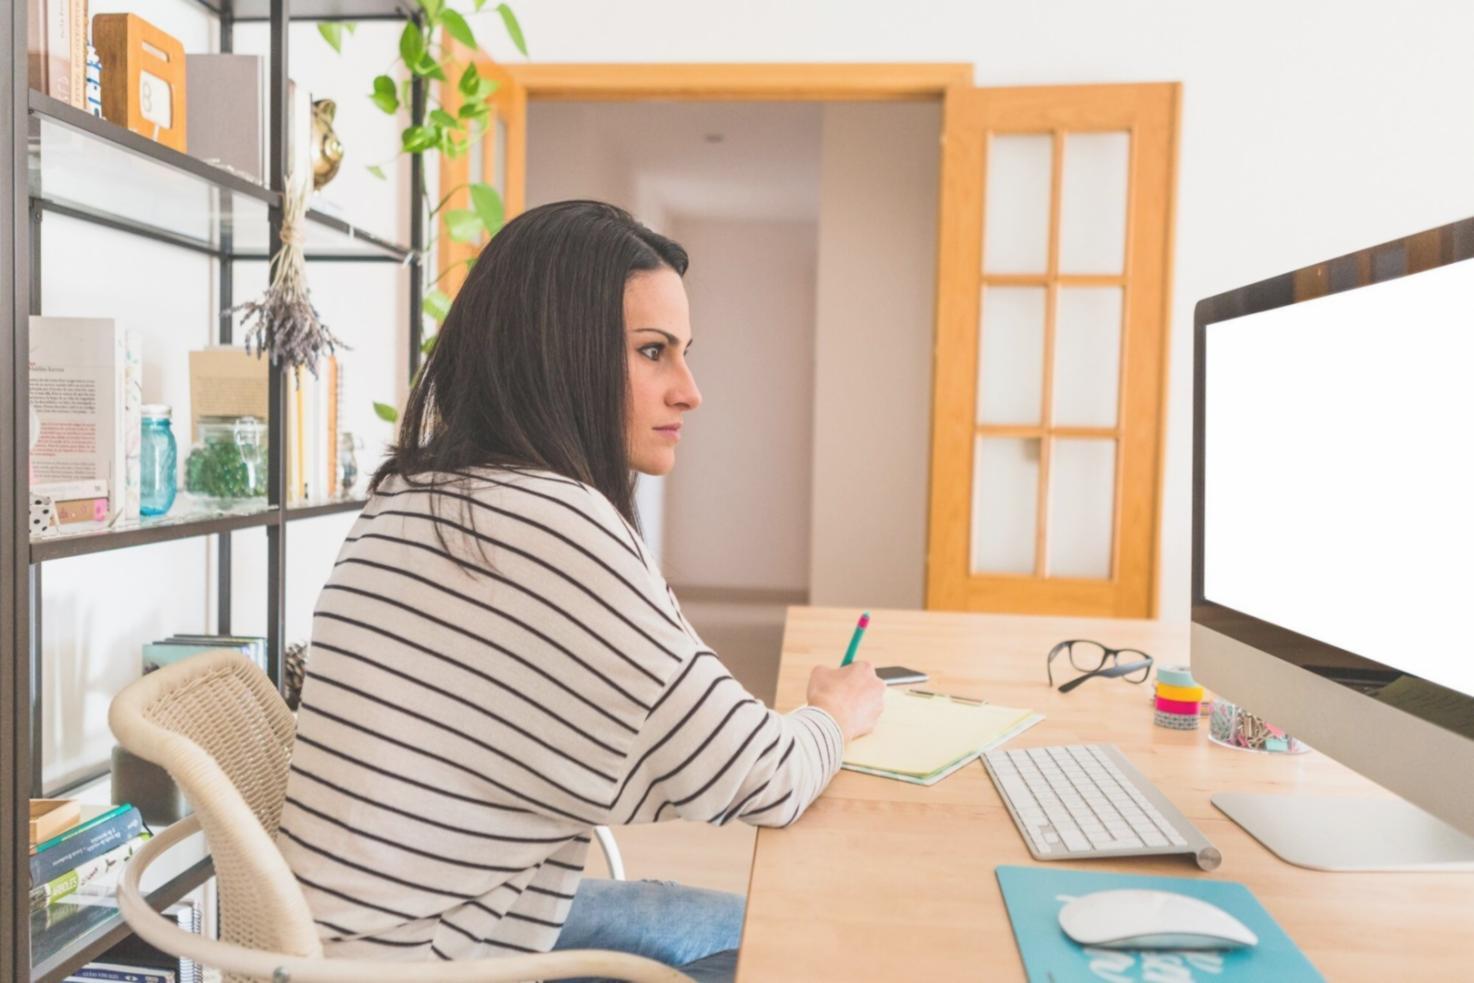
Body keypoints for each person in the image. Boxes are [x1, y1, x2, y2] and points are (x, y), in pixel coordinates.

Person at [278, 200, 886, 981]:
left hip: (372, 935)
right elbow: (758, 775)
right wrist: (832, 713)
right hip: (433, 960)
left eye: (684, 352)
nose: (690, 390)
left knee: (758, 922)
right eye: (653, 352)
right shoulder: (553, 521)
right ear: (557, 355)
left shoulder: (415, 491)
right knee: (809, 944)